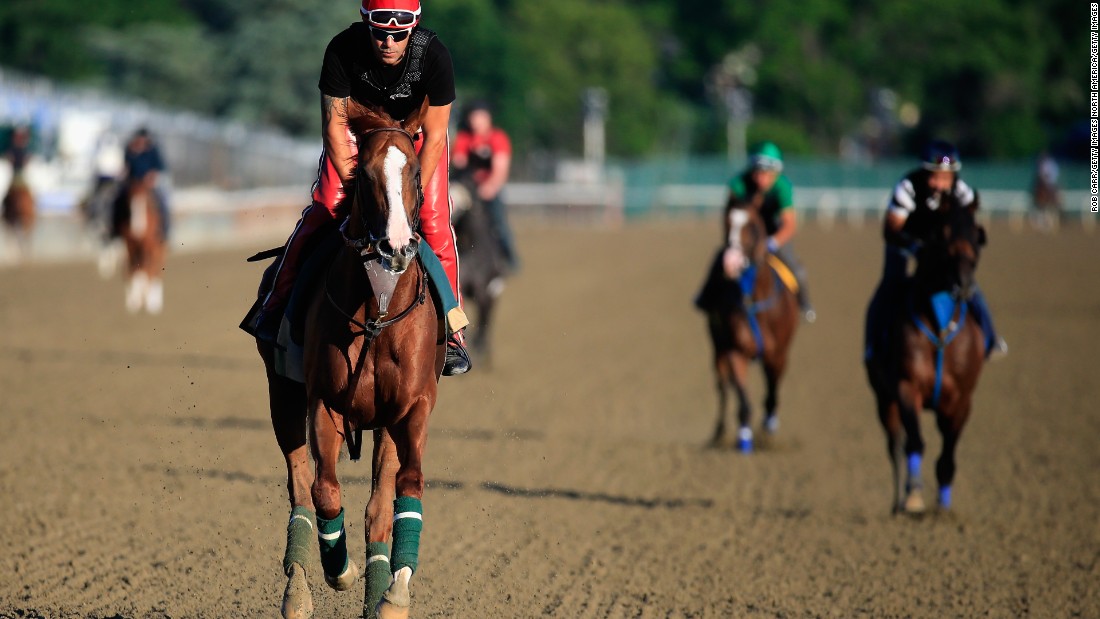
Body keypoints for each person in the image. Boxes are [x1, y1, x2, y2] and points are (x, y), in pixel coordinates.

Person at [245, 0, 471, 376]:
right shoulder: (341, 49)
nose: (388, 42)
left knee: (433, 219)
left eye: (398, 34)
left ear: (412, 29)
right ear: (367, 25)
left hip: (415, 143)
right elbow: (333, 126)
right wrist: (359, 183)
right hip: (355, 137)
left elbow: (434, 137)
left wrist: (409, 190)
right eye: (380, 33)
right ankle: (275, 305)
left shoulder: (435, 56)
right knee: (326, 207)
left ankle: (452, 332)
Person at [865, 139, 1008, 361]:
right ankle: (875, 344)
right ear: (924, 173)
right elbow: (891, 229)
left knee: (968, 285)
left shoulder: (961, 191)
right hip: (904, 243)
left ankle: (991, 338)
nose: (941, 184)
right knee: (890, 285)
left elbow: (968, 223)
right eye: (935, 176)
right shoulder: (907, 188)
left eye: (946, 177)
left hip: (937, 247)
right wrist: (914, 246)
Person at [699, 141, 815, 321]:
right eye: (757, 172)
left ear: (776, 172)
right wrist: (732, 242)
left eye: (766, 173)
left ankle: (805, 304)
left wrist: (773, 242)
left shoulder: (782, 187)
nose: (761, 178)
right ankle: (705, 298)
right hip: (745, 236)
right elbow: (729, 215)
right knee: (720, 259)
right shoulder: (739, 184)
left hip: (773, 236)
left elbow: (789, 224)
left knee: (796, 269)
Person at [451, 101, 519, 271]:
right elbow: (458, 163)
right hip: (466, 188)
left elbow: (500, 171)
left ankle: (510, 257)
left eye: (480, 116)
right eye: (473, 116)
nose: (476, 121)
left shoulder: (498, 138)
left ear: (488, 118)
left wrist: (489, 187)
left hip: (489, 188)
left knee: (499, 221)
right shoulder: (464, 138)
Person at [114, 128, 171, 240]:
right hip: (132, 184)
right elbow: (126, 167)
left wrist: (151, 176)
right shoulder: (130, 150)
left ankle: (164, 230)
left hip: (149, 185)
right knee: (117, 201)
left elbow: (159, 167)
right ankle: (116, 230)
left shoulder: (152, 150)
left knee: (162, 202)